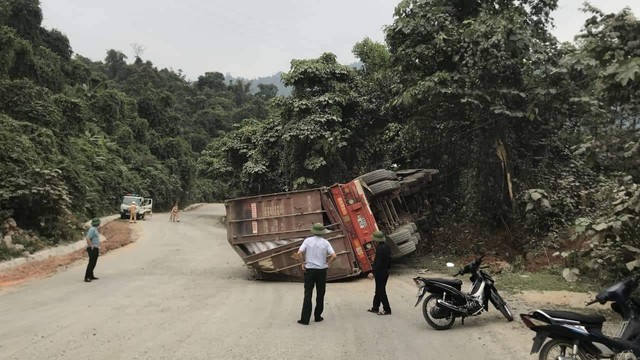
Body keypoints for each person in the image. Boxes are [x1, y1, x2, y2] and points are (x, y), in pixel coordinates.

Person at [294, 223, 337, 325]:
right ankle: (317, 316)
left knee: (308, 294)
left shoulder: (307, 241)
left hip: (309, 270)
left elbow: (299, 253)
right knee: (320, 294)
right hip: (321, 271)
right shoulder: (326, 243)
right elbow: (334, 255)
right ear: (322, 232)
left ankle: (305, 319)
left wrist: (302, 263)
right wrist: (328, 263)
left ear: (313, 231)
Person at [367, 230, 392, 315]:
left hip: (380, 272)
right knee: (378, 290)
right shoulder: (387, 247)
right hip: (385, 271)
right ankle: (375, 307)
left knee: (381, 291)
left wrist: (373, 272)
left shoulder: (380, 249)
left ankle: (387, 309)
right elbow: (389, 260)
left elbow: (378, 262)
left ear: (376, 240)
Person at [84, 218, 101, 282]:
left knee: (93, 263)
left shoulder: (95, 229)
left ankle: (91, 275)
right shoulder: (92, 229)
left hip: (95, 247)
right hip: (92, 248)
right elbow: (88, 238)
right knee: (91, 263)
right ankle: (87, 276)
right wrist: (91, 246)